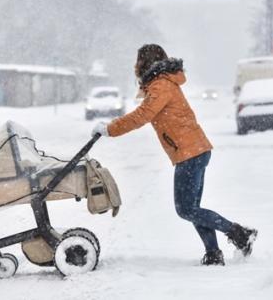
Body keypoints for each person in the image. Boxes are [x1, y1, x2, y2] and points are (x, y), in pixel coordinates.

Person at [92, 44, 257, 266]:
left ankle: (239, 233)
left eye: (138, 61)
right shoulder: (162, 82)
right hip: (194, 150)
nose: (135, 65)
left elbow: (142, 115)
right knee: (194, 209)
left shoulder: (161, 85)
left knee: (186, 209)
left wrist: (110, 129)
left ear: (145, 62)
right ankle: (214, 253)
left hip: (189, 153)